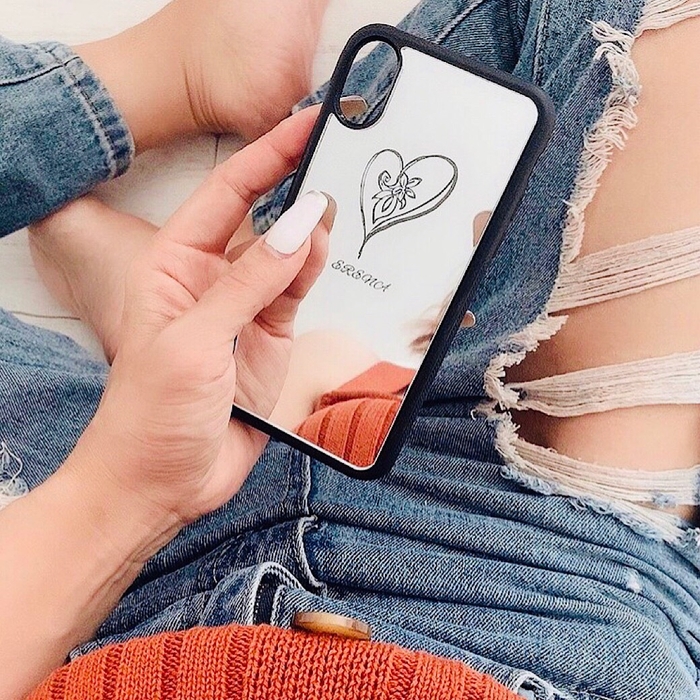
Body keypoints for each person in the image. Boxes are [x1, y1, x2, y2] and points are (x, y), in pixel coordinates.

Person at [1, 0, 700, 699]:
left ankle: (217, 269)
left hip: (92, 559)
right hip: (557, 574)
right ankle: (235, 291)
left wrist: (123, 497)